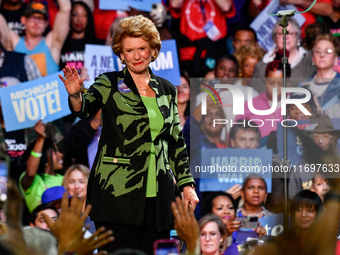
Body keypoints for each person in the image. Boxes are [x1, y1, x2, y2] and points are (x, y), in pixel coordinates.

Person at [59, 15, 198, 254]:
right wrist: (75, 95)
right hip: (117, 193)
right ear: (121, 54)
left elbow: (176, 142)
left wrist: (186, 185)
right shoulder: (108, 83)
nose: (136, 55)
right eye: (129, 50)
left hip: (159, 197)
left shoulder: (166, 88)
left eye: (142, 48)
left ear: (153, 50)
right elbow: (85, 109)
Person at [0, 0, 71, 76]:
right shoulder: (13, 43)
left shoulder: (53, 43)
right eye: (32, 18)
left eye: (40, 18)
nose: (36, 22)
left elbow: (66, 9)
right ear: (23, 20)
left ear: (46, 23)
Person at [250, 18, 315, 93]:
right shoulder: (261, 66)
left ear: (298, 38)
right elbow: (256, 97)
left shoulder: (311, 59)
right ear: (274, 39)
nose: (286, 37)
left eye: (290, 33)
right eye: (281, 34)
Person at [235, 51, 291, 138]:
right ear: (265, 80)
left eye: (280, 84)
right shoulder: (251, 105)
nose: (275, 88)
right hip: (257, 151)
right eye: (271, 83)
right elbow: (235, 134)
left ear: (288, 82)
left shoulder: (295, 104)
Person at [289, 113, 340, 199]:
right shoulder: (299, 170)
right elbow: (293, 203)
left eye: (325, 136)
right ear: (310, 139)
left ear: (333, 139)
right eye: (316, 136)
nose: (320, 141)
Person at [19, 120, 64, 212]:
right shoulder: (34, 181)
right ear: (44, 155)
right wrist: (40, 139)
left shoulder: (65, 179)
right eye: (55, 151)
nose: (61, 154)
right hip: (39, 225)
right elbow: (31, 173)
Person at [299, 33, 340, 119]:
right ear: (313, 57)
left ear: (336, 58)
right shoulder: (302, 87)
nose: (322, 55)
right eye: (318, 51)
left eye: (328, 51)